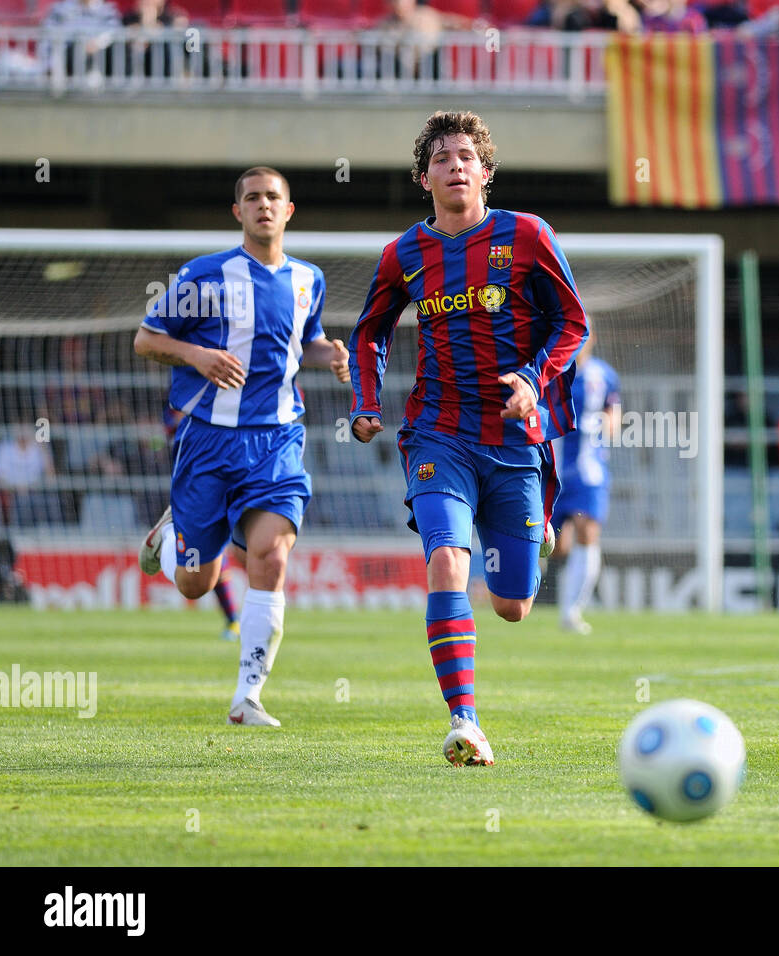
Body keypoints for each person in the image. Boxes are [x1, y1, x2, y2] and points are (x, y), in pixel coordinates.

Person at [348, 110, 590, 767]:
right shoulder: (404, 254)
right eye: (442, 158)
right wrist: (366, 401)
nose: (456, 166)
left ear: (485, 172)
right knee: (447, 560)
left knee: (512, 604)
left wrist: (535, 380)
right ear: (424, 176)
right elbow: (370, 331)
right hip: (438, 435)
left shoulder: (528, 236)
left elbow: (573, 322)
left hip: (514, 440)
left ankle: (533, 523)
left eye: (467, 157)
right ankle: (465, 720)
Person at [134, 166, 351, 727]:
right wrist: (196, 355)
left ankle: (247, 695)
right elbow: (146, 339)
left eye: (272, 197)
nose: (262, 206)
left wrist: (334, 356)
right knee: (194, 584)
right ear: (238, 212)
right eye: (251, 198)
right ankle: (176, 530)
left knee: (271, 556)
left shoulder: (309, 279)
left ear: (288, 209)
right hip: (207, 443)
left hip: (278, 441)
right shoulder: (204, 276)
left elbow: (308, 343)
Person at [550, 329, 621, 634]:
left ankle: (571, 613)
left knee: (587, 532)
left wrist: (609, 424)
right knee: (553, 546)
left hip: (589, 472)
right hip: (551, 471)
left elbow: (614, 415)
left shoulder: (604, 375)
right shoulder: (551, 370)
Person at [162, 405, 242, 642]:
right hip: (203, 474)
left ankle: (240, 620)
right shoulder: (190, 396)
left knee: (254, 549)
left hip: (241, 464)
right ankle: (168, 535)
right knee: (201, 569)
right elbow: (168, 427)